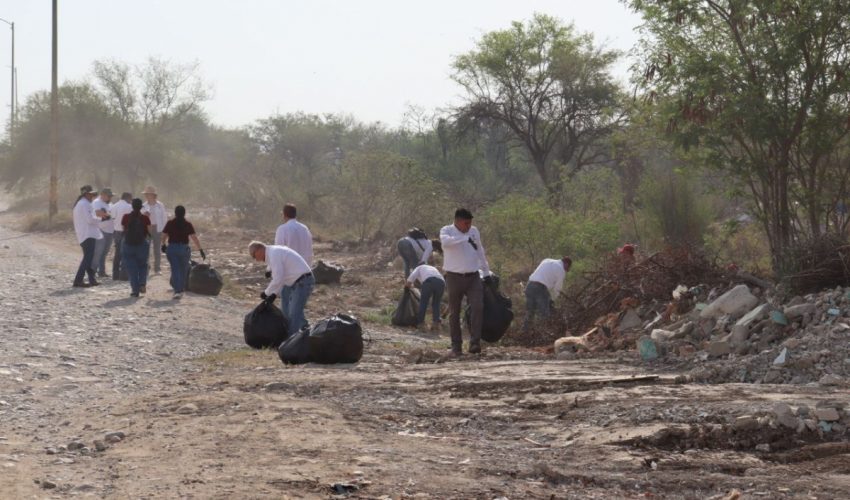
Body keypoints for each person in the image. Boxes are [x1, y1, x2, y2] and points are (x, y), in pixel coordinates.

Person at [439, 208, 492, 356]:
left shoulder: (474, 231)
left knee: (478, 307)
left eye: (470, 223)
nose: (468, 226)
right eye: (465, 223)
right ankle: (456, 346)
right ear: (457, 221)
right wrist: (464, 238)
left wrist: (486, 272)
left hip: (473, 276)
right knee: (454, 312)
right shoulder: (446, 230)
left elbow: (480, 250)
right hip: (453, 277)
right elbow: (446, 243)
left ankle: (475, 343)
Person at [249, 241, 315, 333]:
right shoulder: (272, 252)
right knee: (285, 311)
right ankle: (304, 330)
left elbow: (278, 278)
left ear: (259, 250)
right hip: (291, 282)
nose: (255, 259)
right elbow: (280, 276)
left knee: (294, 313)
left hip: (302, 281)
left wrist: (266, 293)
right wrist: (274, 294)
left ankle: (290, 341)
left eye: (254, 256)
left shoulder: (274, 254)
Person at [161, 205, 206, 299]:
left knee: (175, 268)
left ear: (175, 213)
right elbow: (194, 238)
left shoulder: (170, 223)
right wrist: (200, 250)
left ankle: (177, 289)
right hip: (184, 249)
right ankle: (179, 289)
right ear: (184, 213)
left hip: (172, 248)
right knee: (183, 270)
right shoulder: (187, 224)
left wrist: (163, 245)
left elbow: (164, 235)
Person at [522, 257, 572, 332]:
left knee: (530, 312)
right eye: (568, 267)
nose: (566, 270)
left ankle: (525, 332)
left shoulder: (547, 260)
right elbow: (557, 288)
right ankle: (543, 334)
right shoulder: (561, 270)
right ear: (566, 264)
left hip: (530, 286)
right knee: (544, 314)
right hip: (540, 288)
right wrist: (552, 300)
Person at [72, 185, 105, 288]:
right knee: (87, 258)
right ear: (86, 194)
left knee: (88, 258)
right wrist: (101, 219)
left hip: (84, 234)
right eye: (91, 194)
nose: (92, 197)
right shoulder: (85, 204)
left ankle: (92, 279)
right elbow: (90, 220)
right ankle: (78, 280)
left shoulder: (80, 204)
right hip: (87, 234)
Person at [121, 198, 152, 297]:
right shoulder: (145, 218)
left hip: (128, 245)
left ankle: (135, 290)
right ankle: (142, 283)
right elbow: (149, 233)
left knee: (131, 268)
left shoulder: (125, 217)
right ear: (141, 207)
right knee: (143, 265)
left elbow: (124, 230)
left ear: (132, 206)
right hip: (142, 245)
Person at [405, 264, 445, 332]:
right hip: (441, 283)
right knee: (436, 303)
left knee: (423, 302)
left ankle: (421, 324)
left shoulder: (418, 267)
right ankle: (436, 324)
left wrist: (406, 288)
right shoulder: (432, 268)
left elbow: (410, 279)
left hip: (429, 282)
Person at [142, 186, 167, 275]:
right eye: (146, 194)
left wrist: (164, 231)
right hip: (147, 228)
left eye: (149, 194)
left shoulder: (160, 205)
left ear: (153, 195)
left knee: (157, 249)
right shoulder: (143, 206)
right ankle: (146, 267)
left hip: (158, 228)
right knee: (146, 248)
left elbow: (164, 218)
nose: (148, 196)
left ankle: (157, 268)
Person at [91, 188, 114, 278]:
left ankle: (101, 271)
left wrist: (109, 215)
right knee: (98, 252)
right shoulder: (97, 202)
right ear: (103, 195)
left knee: (104, 252)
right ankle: (92, 271)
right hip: (100, 229)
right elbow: (98, 213)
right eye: (109, 196)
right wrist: (109, 215)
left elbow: (110, 214)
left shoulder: (110, 204)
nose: (110, 197)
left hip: (110, 230)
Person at [110, 192, 133, 280]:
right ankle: (123, 275)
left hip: (116, 232)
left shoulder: (114, 206)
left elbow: (112, 217)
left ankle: (115, 275)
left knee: (117, 253)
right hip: (125, 232)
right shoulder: (129, 207)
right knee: (125, 253)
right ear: (128, 198)